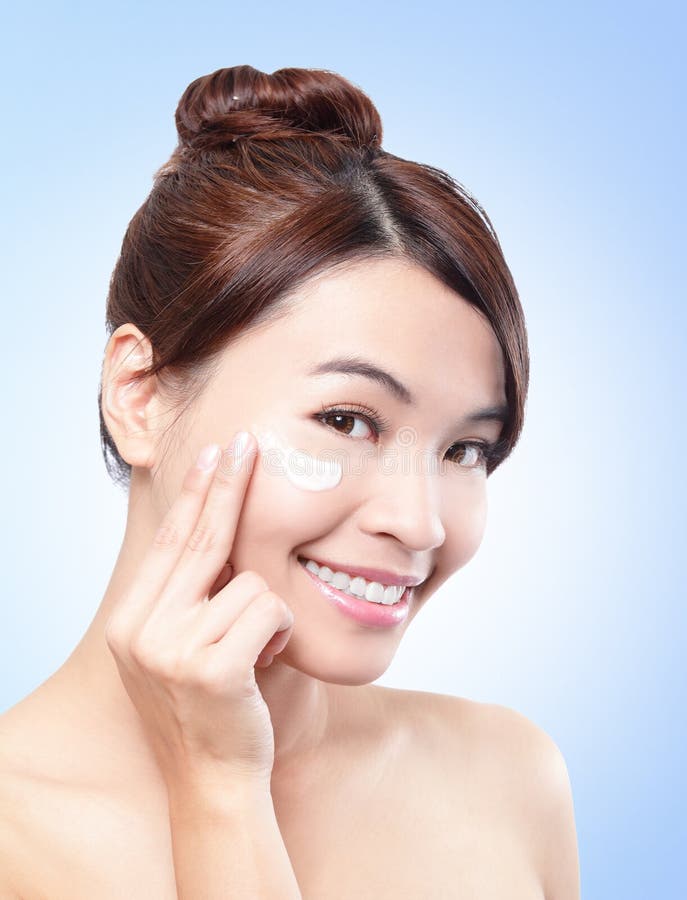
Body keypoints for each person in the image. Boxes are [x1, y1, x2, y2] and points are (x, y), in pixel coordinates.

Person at [0, 64, 580, 898]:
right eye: (346, 421)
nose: (420, 525)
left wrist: (221, 784)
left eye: (465, 450)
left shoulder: (508, 778)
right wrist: (218, 787)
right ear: (139, 397)